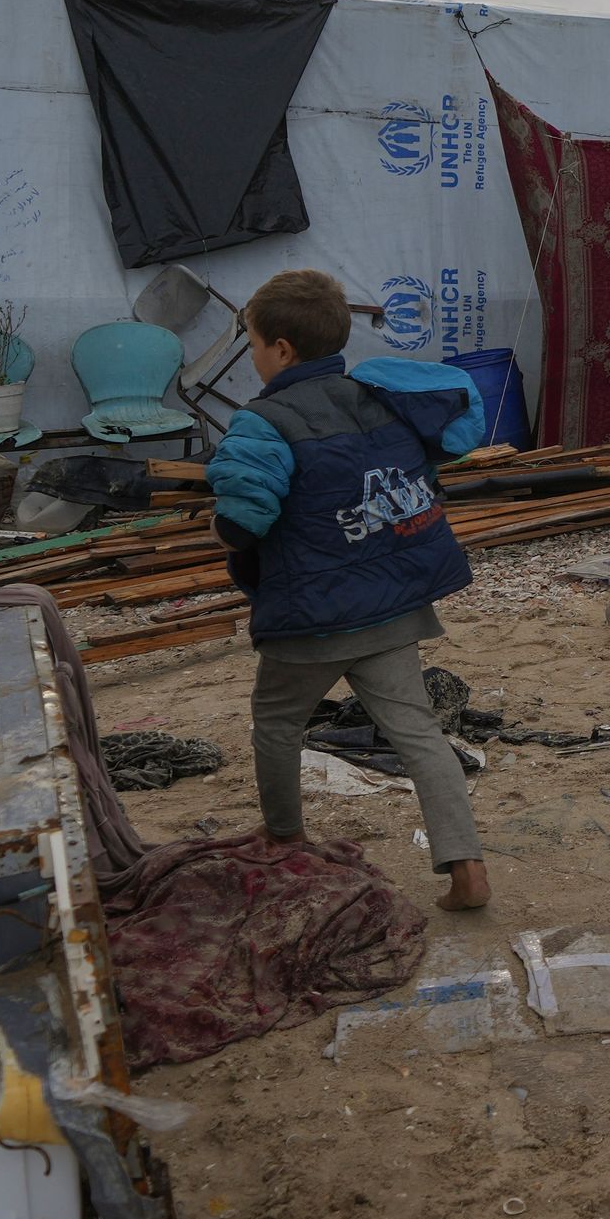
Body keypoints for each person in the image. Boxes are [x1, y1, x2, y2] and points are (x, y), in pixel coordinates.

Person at [206, 268, 491, 903]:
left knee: (277, 721)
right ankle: (466, 866)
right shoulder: (383, 399)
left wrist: (218, 529)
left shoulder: (264, 422)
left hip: (311, 617)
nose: (252, 356)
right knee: (417, 731)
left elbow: (243, 523)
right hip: (393, 604)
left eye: (252, 344)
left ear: (280, 349)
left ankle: (283, 841)